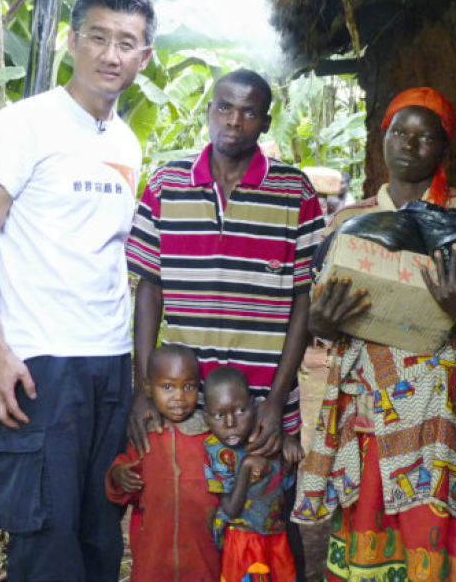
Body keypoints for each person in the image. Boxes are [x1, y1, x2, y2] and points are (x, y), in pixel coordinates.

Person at [0, 0, 155, 581]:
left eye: (126, 42)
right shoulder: (24, 125)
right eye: (97, 36)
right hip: (41, 362)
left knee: (100, 532)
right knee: (44, 536)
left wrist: (137, 376)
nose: (110, 54)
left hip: (110, 363)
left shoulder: (125, 140)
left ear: (144, 57)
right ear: (73, 41)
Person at [292, 87, 456, 581]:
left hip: (446, 403)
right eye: (400, 132)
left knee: (434, 515)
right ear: (383, 139)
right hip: (372, 399)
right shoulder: (352, 221)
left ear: (444, 148)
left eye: (425, 137)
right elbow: (318, 320)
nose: (410, 145)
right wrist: (322, 321)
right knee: (370, 502)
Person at [125, 68, 325, 575]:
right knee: (197, 526)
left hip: (261, 404)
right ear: (209, 110)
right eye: (224, 108)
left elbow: (305, 299)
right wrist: (144, 387)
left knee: (270, 527)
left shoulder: (294, 193)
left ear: (264, 121)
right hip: (185, 407)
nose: (234, 122)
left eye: (249, 111)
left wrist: (277, 401)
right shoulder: (167, 184)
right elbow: (149, 287)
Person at [105, 344, 219, 581]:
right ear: (148, 388)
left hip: (203, 551)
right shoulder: (144, 436)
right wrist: (118, 476)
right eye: (167, 387)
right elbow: (122, 491)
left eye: (188, 386)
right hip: (153, 552)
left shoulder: (211, 438)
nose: (179, 396)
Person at [203, 367, 297, 581]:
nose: (230, 423)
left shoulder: (264, 439)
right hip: (242, 543)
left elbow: (285, 483)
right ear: (207, 418)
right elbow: (231, 509)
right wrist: (245, 467)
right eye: (219, 415)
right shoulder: (217, 453)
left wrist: (289, 444)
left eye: (240, 411)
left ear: (253, 406)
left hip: (275, 537)